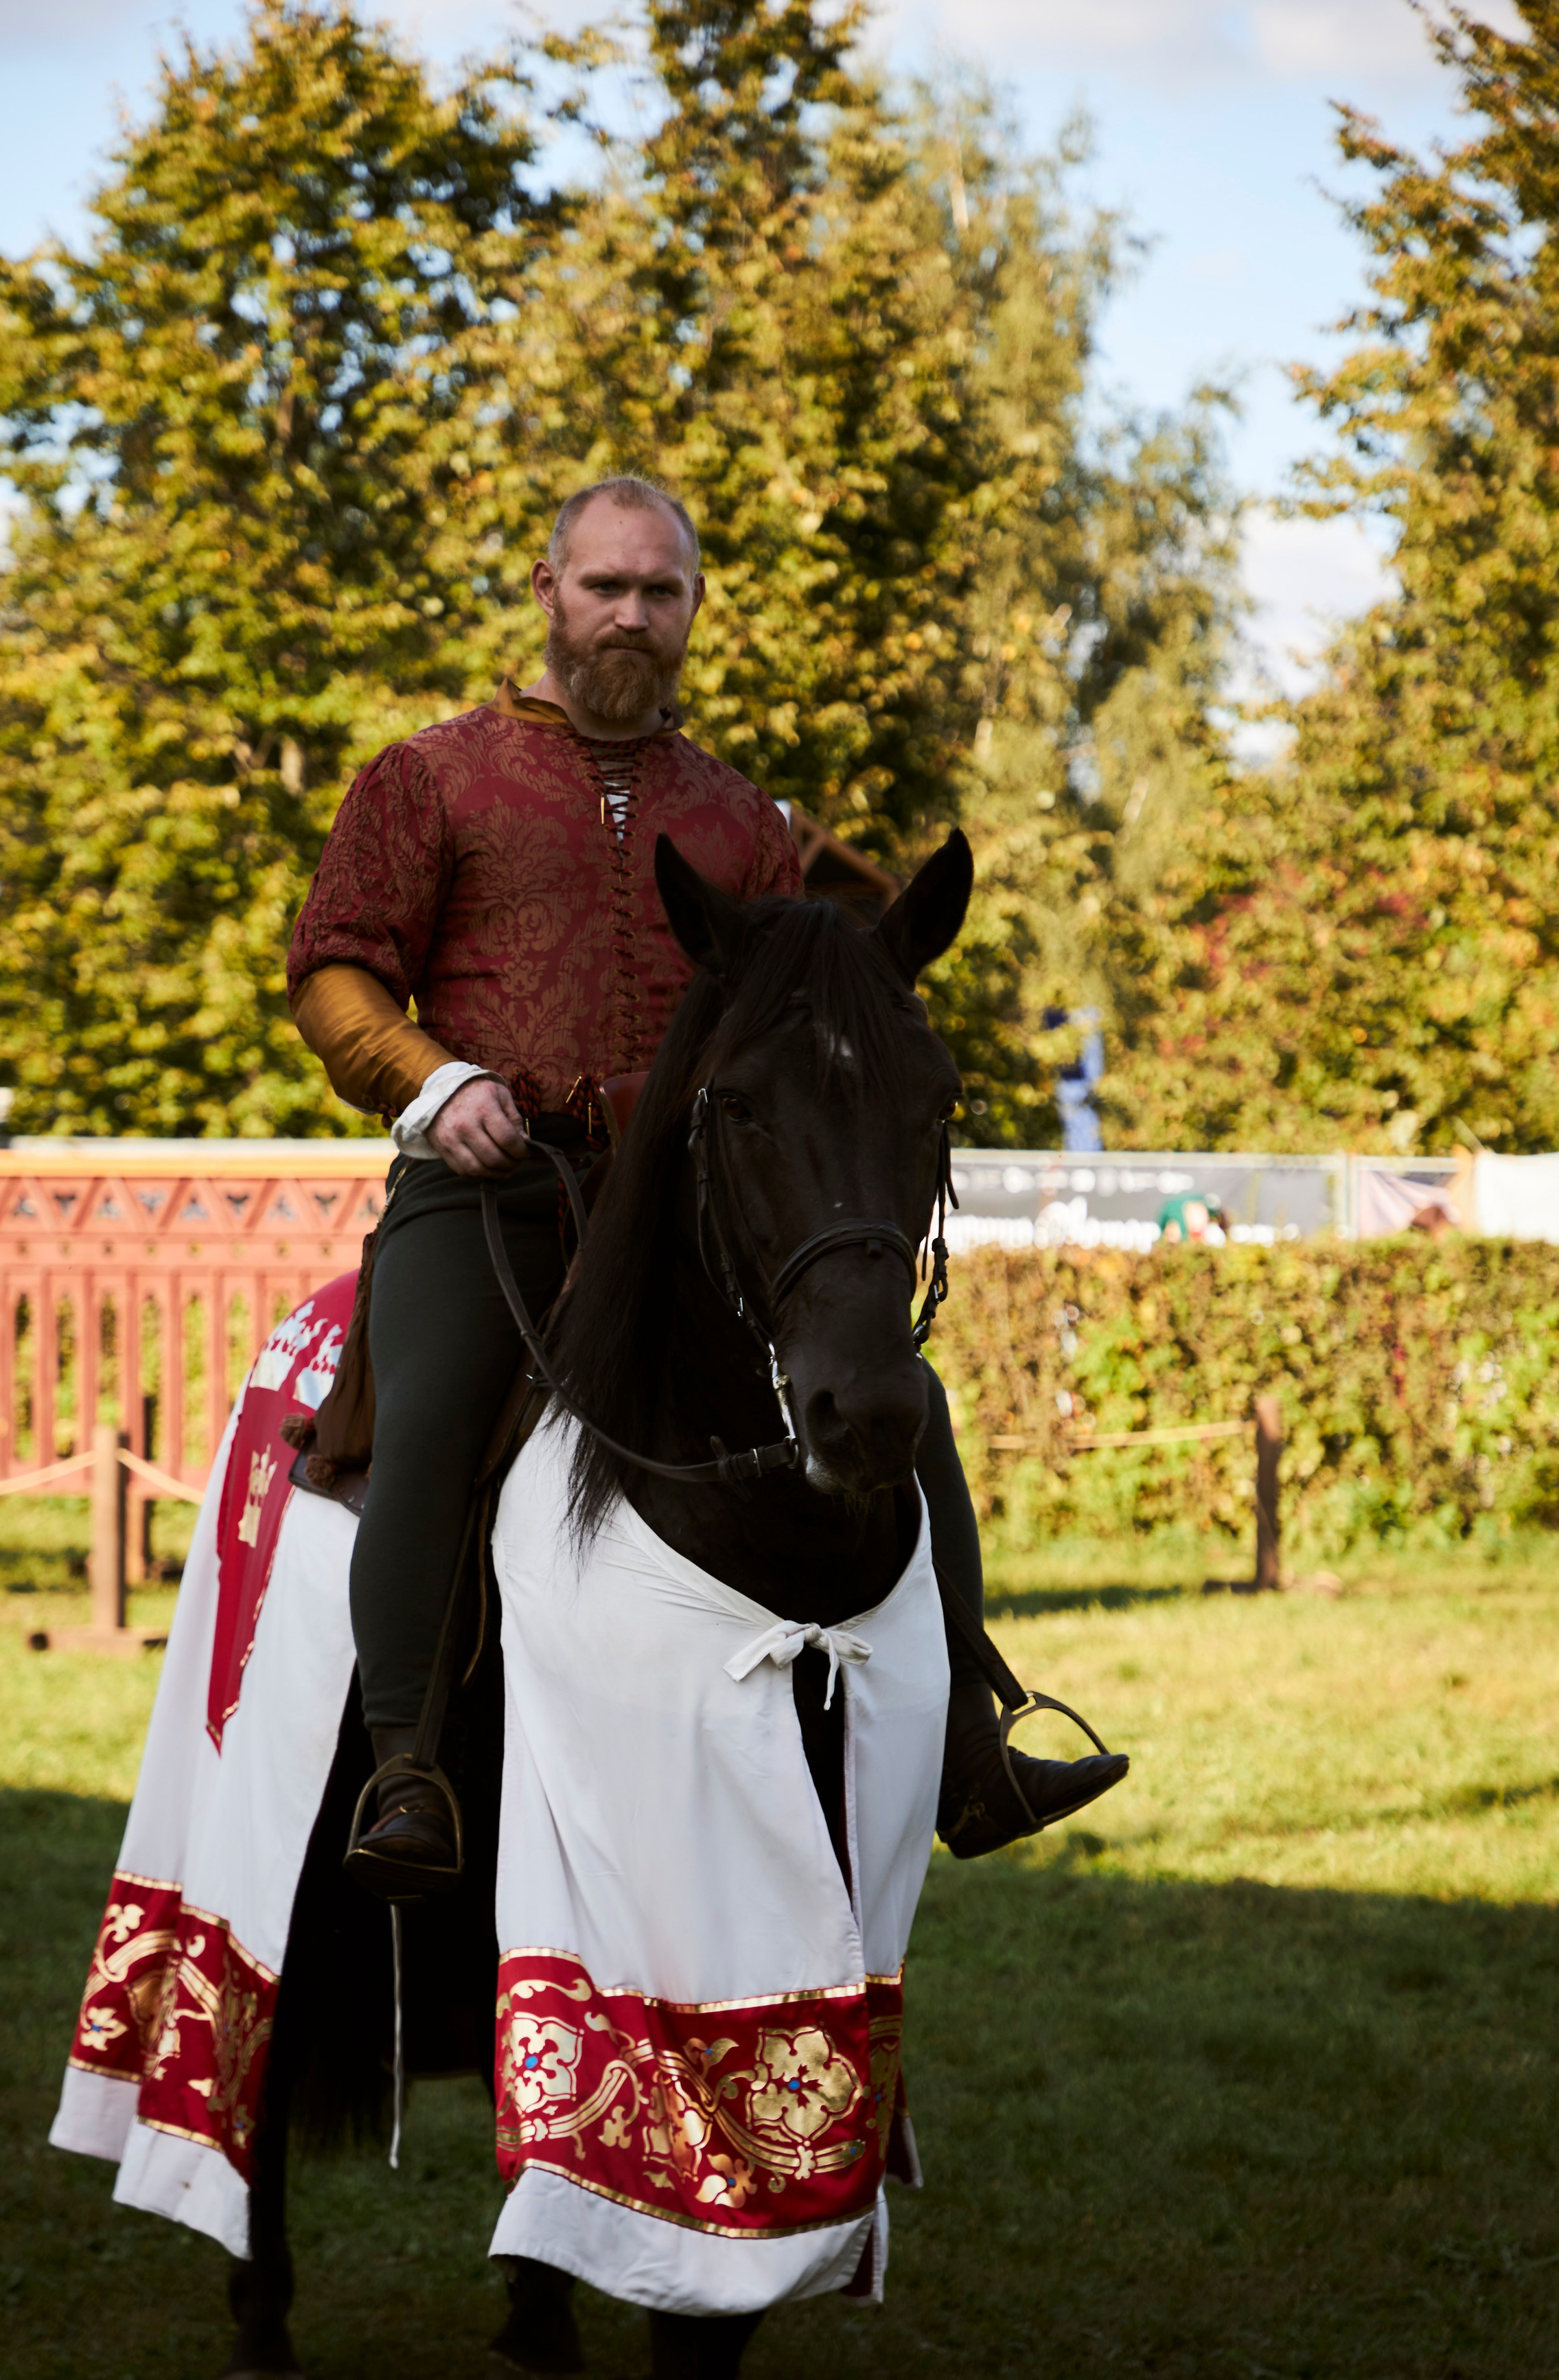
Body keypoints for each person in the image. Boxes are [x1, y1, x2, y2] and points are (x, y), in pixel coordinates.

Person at [288, 474, 1117, 1897]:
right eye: (603, 586)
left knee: (902, 1398)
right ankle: (408, 1766)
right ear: (548, 592)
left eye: (657, 591)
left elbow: (789, 1028)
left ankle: (971, 1748)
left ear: (691, 609)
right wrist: (436, 1083)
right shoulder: (426, 778)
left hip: (687, 1211)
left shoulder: (742, 819)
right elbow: (334, 973)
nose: (630, 614)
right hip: (488, 1186)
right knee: (428, 1420)